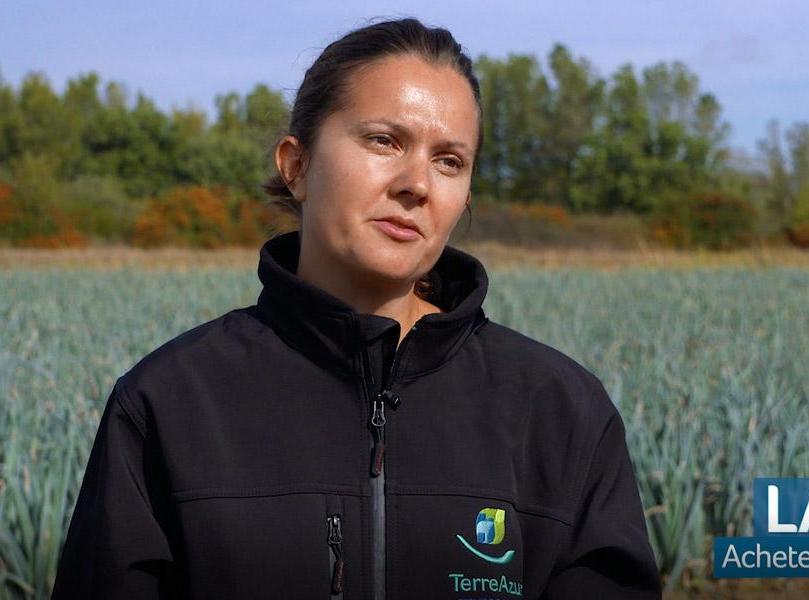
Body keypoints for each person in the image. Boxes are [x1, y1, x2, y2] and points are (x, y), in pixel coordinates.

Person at [51, 17, 661, 600]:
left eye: (449, 161)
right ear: (297, 166)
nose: (416, 184)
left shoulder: (560, 411)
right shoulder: (170, 404)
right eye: (384, 140)